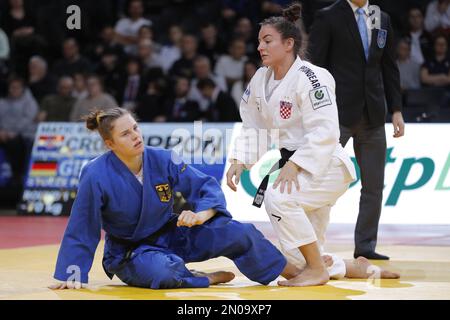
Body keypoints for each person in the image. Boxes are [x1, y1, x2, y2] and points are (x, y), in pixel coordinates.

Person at [226, 3, 399, 287]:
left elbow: (326, 130)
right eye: (259, 42)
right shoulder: (260, 79)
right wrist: (240, 160)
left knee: (278, 198)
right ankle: (351, 267)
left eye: (267, 41)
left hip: (326, 165)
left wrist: (296, 164)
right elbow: (254, 125)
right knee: (295, 262)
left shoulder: (312, 77)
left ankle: (318, 269)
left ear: (289, 43)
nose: (260, 47)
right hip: (301, 166)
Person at [49, 107, 301, 290]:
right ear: (109, 144)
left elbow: (204, 186)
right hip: (131, 252)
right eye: (125, 134)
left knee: (238, 232)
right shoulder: (94, 174)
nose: (136, 136)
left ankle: (293, 271)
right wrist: (72, 273)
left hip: (172, 233)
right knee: (163, 271)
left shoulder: (163, 158)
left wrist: (201, 214)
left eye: (135, 128)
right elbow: (83, 225)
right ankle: (202, 277)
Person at [308, 0, 405, 260]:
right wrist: (315, 110)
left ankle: (365, 247)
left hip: (373, 113)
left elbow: (389, 65)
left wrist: (396, 108)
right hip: (335, 115)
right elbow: (313, 68)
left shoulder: (381, 18)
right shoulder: (328, 16)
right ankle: (310, 246)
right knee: (315, 181)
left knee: (374, 186)